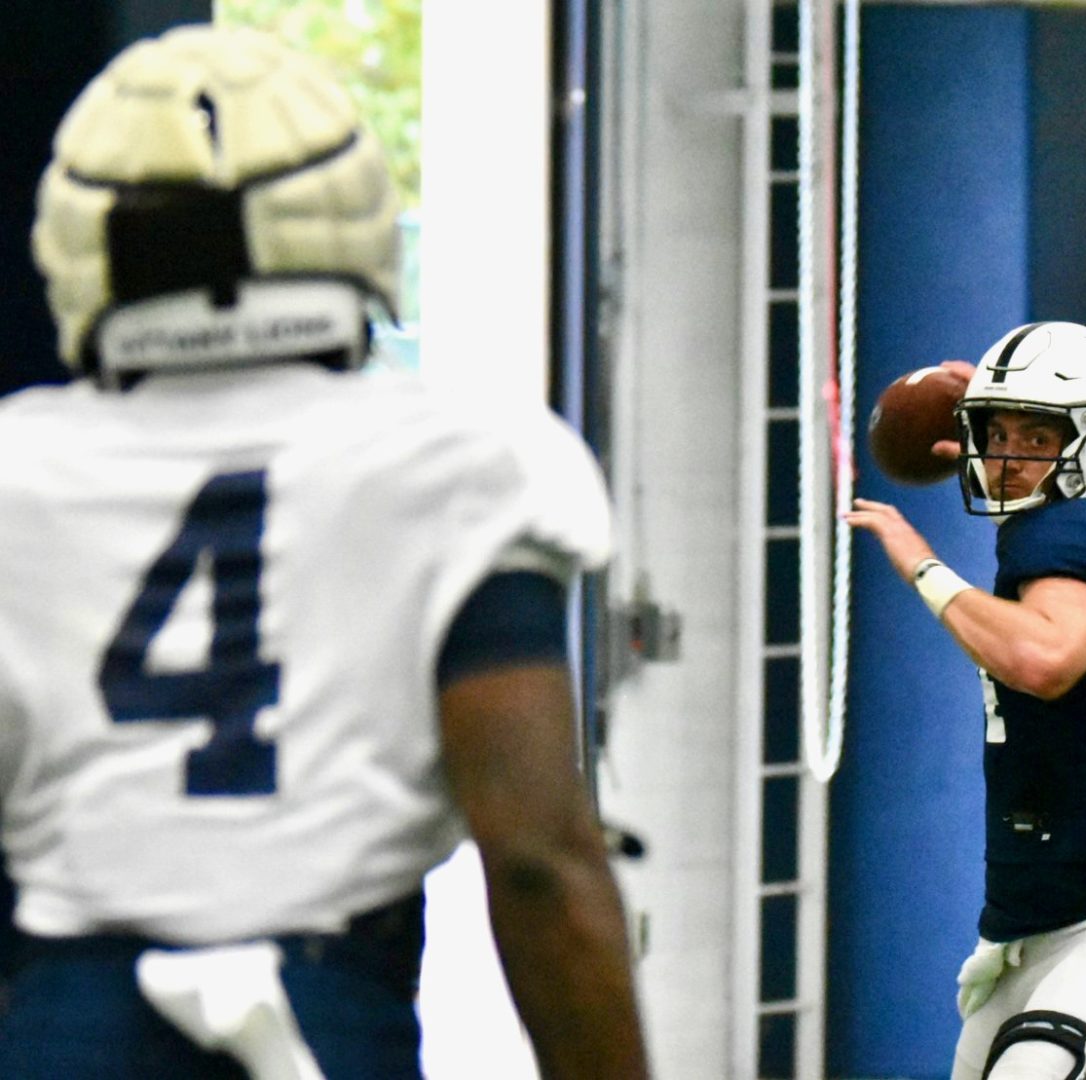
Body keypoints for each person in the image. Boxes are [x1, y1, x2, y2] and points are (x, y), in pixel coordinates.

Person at [0, 25, 648, 1080]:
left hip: (69, 1019)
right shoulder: (463, 460)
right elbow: (535, 861)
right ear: (345, 221)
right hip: (326, 1014)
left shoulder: (16, 467)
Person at [846, 321, 1086, 1080]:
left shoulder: (1083, 530)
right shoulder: (1078, 529)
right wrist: (991, 391)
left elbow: (1043, 659)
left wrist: (923, 566)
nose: (1008, 456)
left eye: (1036, 437)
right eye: (997, 431)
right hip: (1028, 918)